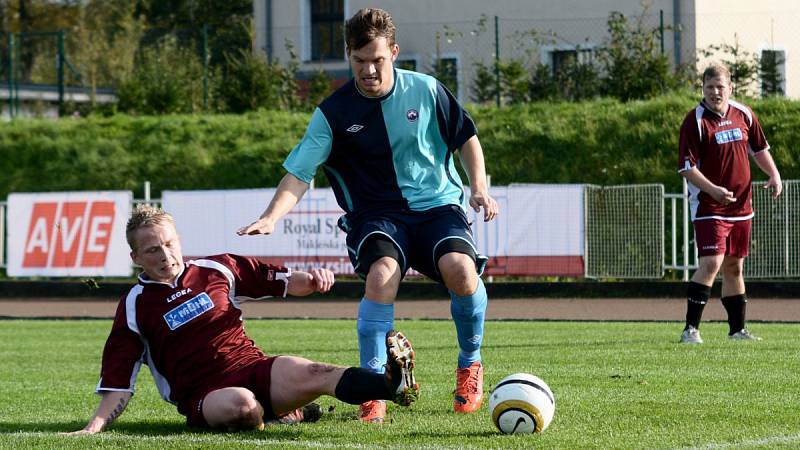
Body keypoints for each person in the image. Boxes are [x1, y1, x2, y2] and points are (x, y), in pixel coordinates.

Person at [238, 8, 498, 423]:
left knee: (462, 271)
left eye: (377, 60)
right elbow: (299, 173)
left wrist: (480, 188)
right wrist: (272, 216)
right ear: (348, 55)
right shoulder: (334, 113)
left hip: (437, 207)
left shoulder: (427, 90)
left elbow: (467, 137)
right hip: (376, 215)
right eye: (359, 61)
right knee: (381, 276)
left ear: (393, 52)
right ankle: (373, 384)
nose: (369, 70)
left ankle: (470, 364)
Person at [68, 205, 418, 435]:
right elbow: (119, 380)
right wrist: (94, 426)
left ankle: (391, 385)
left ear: (179, 240)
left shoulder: (216, 268)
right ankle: (287, 413)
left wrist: (311, 281)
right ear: (135, 257)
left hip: (252, 366)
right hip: (204, 393)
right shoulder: (134, 304)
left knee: (317, 372)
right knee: (243, 407)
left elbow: (279, 280)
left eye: (169, 244)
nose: (165, 255)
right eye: (152, 250)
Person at [677, 63, 782, 344]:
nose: (715, 92)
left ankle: (737, 330)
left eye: (720, 87)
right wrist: (712, 190)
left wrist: (774, 174)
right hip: (710, 206)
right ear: (703, 88)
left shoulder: (744, 113)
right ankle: (690, 330)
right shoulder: (695, 120)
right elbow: (686, 168)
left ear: (730, 88)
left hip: (741, 206)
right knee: (711, 262)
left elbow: (759, 149)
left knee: (735, 266)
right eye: (709, 87)